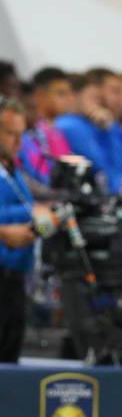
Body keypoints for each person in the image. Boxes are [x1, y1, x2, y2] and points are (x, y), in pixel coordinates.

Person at [0, 98, 37, 362]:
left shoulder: (12, 169)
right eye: (10, 133)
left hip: (15, 279)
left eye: (20, 134)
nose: (17, 141)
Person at [19, 67, 72, 186]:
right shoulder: (30, 132)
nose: (69, 98)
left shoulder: (57, 130)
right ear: (40, 95)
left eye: (70, 93)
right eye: (61, 93)